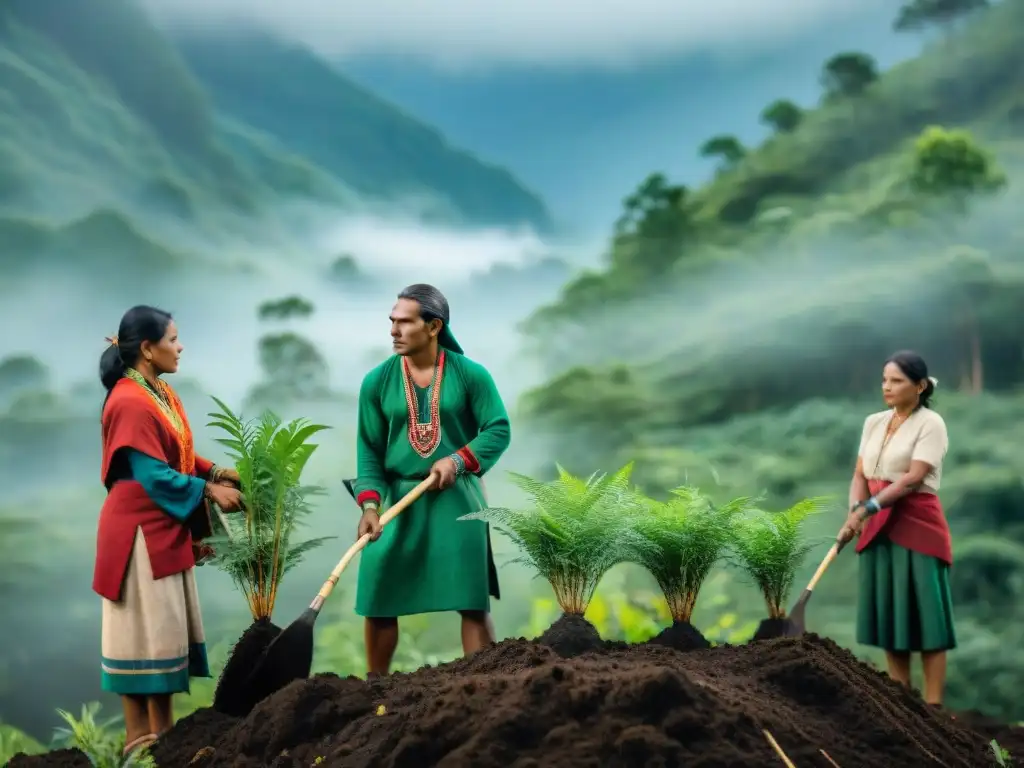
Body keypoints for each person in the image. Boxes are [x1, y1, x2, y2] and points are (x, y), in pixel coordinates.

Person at [92, 306, 244, 756]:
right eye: (174, 339)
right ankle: (137, 743)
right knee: (142, 633)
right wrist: (209, 491)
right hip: (138, 532)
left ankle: (166, 741)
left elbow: (175, 452)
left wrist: (218, 471)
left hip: (161, 523)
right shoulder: (129, 400)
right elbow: (152, 473)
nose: (180, 348)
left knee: (161, 635)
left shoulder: (156, 392)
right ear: (147, 348)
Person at [352, 283, 511, 675]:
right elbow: (369, 450)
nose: (394, 331)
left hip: (458, 498)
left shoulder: (471, 375)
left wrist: (457, 461)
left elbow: (497, 429)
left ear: (434, 326)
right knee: (378, 590)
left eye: (405, 323)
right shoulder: (376, 382)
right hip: (399, 498)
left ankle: (482, 684)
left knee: (471, 601)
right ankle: (376, 686)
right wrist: (370, 505)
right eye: (392, 321)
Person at [838, 350, 955, 706]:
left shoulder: (930, 423)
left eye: (897, 381)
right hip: (877, 523)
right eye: (885, 380)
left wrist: (867, 508)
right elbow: (860, 473)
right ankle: (902, 700)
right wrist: (854, 511)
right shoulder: (873, 421)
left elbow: (912, 478)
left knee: (928, 616)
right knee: (892, 613)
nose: (887, 387)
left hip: (916, 520)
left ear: (919, 386)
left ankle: (933, 706)